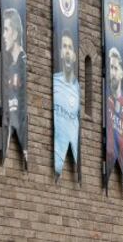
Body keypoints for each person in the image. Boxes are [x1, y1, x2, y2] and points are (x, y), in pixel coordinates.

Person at [2, 8, 27, 169]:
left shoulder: (23, 63)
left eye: (6, 30)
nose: (3, 36)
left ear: (16, 34)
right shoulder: (9, 65)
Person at [53, 30, 80, 181]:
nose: (68, 50)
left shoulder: (78, 89)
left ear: (75, 55)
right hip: (55, 164)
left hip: (74, 165)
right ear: (61, 53)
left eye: (70, 47)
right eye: (65, 47)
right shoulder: (54, 81)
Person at [106, 47, 123, 184]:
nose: (112, 73)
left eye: (115, 68)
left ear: (121, 73)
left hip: (122, 166)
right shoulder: (106, 100)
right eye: (110, 68)